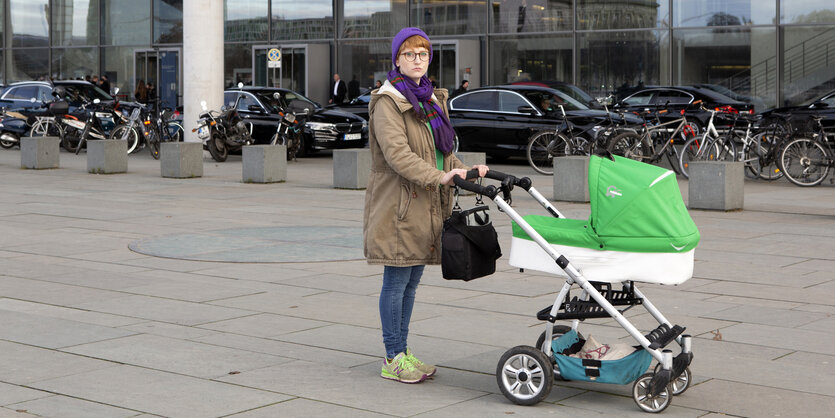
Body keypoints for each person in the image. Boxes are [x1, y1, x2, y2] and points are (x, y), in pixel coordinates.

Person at [364, 27, 489, 384]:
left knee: (412, 282)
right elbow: (398, 156)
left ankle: (403, 351)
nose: (417, 60)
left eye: (423, 54)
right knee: (397, 279)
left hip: (428, 203)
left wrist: (461, 170)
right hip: (400, 205)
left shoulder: (431, 99)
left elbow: (442, 153)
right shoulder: (388, 102)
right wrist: (440, 177)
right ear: (397, 60)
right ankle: (392, 357)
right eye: (409, 54)